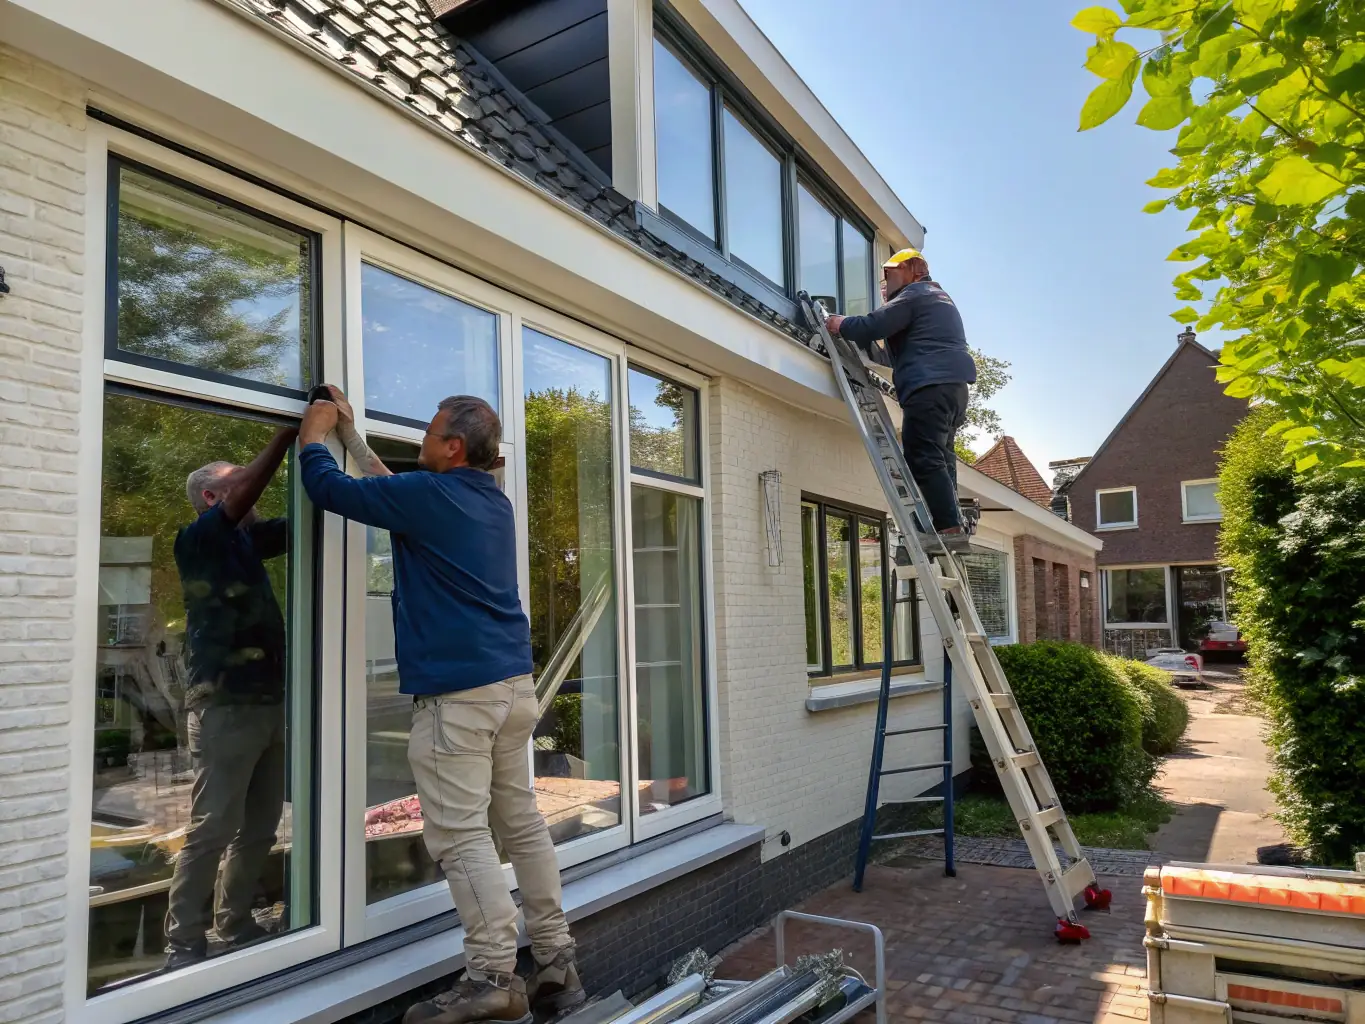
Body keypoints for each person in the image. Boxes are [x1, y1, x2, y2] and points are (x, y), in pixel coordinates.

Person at [297, 388, 582, 1024]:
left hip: (459, 698)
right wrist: (357, 440)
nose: (421, 441)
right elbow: (394, 490)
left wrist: (314, 437)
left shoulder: (432, 497)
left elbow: (335, 492)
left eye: (429, 434)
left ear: (452, 447)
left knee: (459, 834)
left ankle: (491, 976)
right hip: (512, 689)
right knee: (521, 822)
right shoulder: (488, 501)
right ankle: (558, 961)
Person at [165, 426, 296, 969]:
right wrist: (289, 436)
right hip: (225, 707)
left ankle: (235, 923)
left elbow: (306, 521)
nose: (255, 496)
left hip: (270, 706)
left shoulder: (245, 540)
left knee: (261, 826)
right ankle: (183, 944)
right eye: (240, 487)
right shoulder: (200, 539)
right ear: (213, 499)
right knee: (213, 826)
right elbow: (249, 488)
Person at [825, 248, 977, 551]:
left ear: (912, 269)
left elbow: (871, 326)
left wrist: (839, 323)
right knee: (941, 459)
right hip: (952, 389)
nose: (884, 283)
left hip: (929, 387)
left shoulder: (916, 294)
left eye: (888, 274)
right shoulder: (937, 299)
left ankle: (948, 529)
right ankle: (950, 523)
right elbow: (897, 353)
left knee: (922, 455)